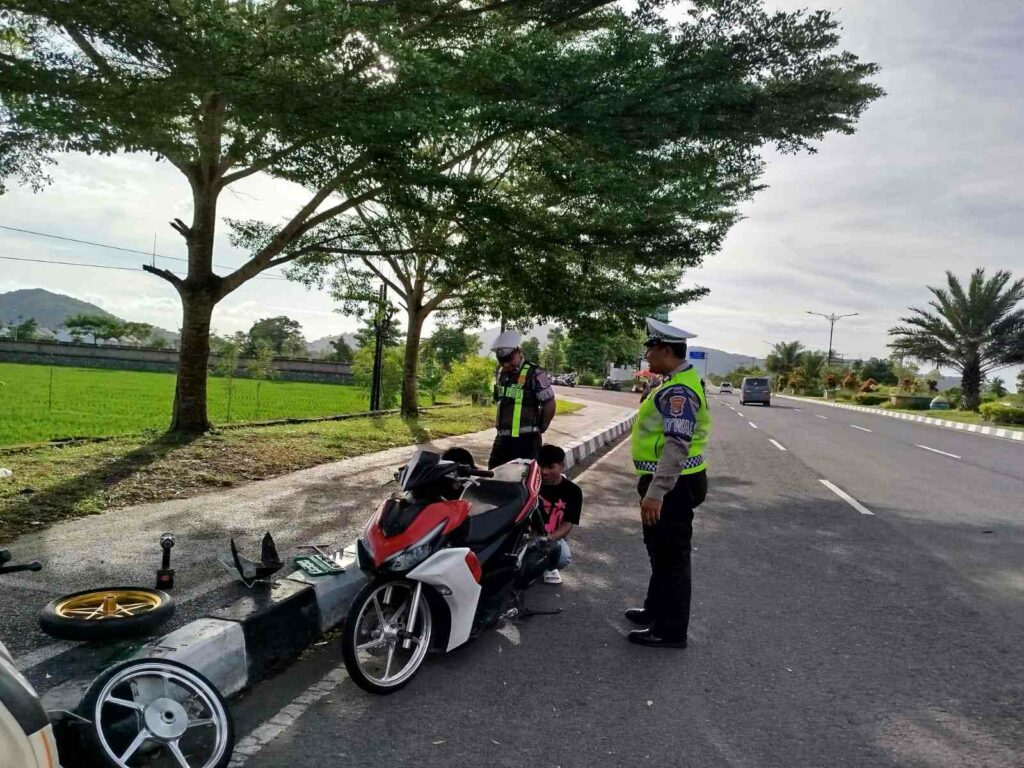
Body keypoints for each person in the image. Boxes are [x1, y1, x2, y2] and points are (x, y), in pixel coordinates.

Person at [626, 317, 711, 648]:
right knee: (659, 551)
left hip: (673, 485)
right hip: (671, 481)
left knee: (671, 558)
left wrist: (656, 492)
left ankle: (670, 629)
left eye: (650, 348)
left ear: (665, 350)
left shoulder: (679, 391)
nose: (647, 355)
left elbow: (677, 445)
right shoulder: (673, 381)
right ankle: (655, 610)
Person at [487, 330, 556, 469]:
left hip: (527, 440)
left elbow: (549, 403)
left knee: (523, 482)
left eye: (509, 359)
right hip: (502, 438)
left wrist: (541, 428)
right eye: (502, 361)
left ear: (518, 352)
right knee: (493, 477)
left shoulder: (534, 373)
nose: (506, 364)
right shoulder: (501, 373)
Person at [536, 444, 582, 585]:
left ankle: (549, 566)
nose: (544, 472)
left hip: (551, 536)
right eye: (541, 466)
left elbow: (567, 524)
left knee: (562, 559)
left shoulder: (573, 491)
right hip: (526, 535)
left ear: (561, 466)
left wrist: (549, 538)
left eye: (550, 467)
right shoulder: (529, 485)